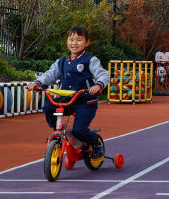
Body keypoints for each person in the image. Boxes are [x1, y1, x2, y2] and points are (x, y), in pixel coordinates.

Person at [27, 26, 110, 166]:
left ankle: (95, 142)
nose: (74, 43)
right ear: (67, 41)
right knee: (48, 106)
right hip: (66, 99)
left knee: (79, 130)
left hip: (85, 101)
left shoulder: (90, 60)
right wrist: (37, 83)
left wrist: (98, 85)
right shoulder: (61, 62)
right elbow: (50, 75)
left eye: (79, 40)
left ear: (87, 42)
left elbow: (103, 74)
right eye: (71, 39)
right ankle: (58, 130)